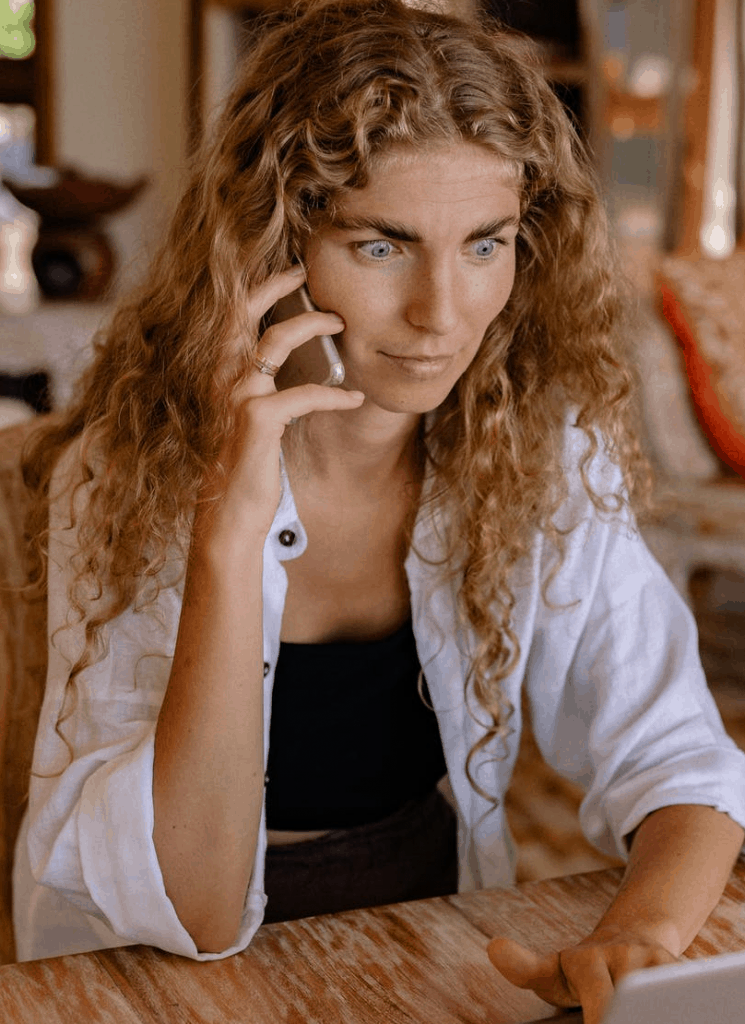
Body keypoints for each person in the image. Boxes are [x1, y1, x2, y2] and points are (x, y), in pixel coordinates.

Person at [14, 2, 745, 1021]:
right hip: (165, 969)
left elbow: (678, 757)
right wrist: (230, 528)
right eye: (381, 246)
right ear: (274, 241)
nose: (442, 314)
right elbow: (195, 906)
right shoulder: (130, 468)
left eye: (484, 244)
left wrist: (642, 937)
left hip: (431, 927)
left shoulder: (534, 443)